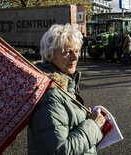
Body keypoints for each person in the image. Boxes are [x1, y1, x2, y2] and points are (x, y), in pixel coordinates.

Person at [27, 24, 106, 155]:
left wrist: (85, 118)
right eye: (67, 52)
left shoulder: (64, 83)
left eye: (77, 51)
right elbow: (61, 150)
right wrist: (93, 125)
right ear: (49, 55)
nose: (75, 58)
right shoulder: (50, 94)